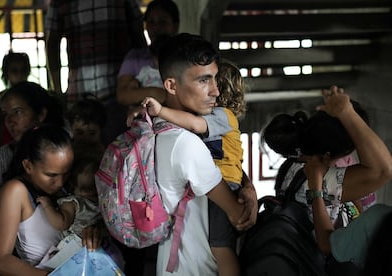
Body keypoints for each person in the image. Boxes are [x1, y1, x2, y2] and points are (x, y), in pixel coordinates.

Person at [142, 32, 257, 275]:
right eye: (204, 81)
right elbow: (239, 215)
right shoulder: (184, 143)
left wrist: (248, 186)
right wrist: (248, 199)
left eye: (215, 79)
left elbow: (226, 158)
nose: (215, 91)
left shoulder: (157, 130)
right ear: (171, 85)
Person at [262, 86, 392, 264]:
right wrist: (347, 114)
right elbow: (383, 171)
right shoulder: (320, 179)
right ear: (329, 155)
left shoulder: (294, 164)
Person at [0, 125, 74, 274]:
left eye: (66, 173)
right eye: (51, 175)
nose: (60, 182)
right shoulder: (16, 190)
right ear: (28, 166)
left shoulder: (65, 188)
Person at [44, 0, 146, 101]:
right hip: (104, 90)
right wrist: (58, 91)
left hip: (117, 91)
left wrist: (58, 91)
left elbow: (139, 37)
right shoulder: (60, 2)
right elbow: (52, 44)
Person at [0, 81, 66, 203]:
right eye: (5, 114)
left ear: (41, 114)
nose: (9, 121)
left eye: (17, 112)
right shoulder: (2, 157)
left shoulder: (63, 151)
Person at [116, 0, 180, 106]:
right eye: (151, 22)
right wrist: (155, 92)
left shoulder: (185, 56)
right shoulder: (135, 57)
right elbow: (123, 95)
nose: (156, 28)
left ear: (175, 26)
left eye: (163, 22)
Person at [36, 152, 102, 239]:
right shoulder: (103, 204)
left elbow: (61, 223)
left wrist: (47, 205)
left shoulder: (74, 203)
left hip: (78, 247)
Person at [0, 51, 31, 145]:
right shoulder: (3, 95)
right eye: (14, 70)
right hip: (9, 139)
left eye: (23, 70)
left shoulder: (32, 92)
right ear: (7, 73)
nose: (19, 74)